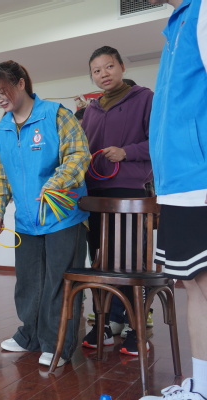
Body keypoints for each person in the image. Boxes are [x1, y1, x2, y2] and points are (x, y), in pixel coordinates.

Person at [0, 60, 90, 367]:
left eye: (3, 91)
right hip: (27, 221)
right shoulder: (1, 129)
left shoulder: (56, 114)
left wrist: (56, 183)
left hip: (62, 216)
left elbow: (79, 154)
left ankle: (57, 343)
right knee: (28, 283)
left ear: (21, 83)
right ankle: (29, 335)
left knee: (59, 283)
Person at [141, 0, 207, 399]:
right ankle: (201, 387)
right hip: (180, 184)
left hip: (200, 179)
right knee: (195, 286)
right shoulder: (178, 24)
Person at [80, 45, 154, 356]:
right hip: (95, 196)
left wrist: (127, 152)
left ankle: (137, 329)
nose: (103, 74)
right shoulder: (90, 111)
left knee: (131, 263)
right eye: (96, 71)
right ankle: (106, 325)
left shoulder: (145, 98)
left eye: (109, 66)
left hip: (130, 194)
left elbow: (159, 142)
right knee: (101, 262)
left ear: (122, 67)